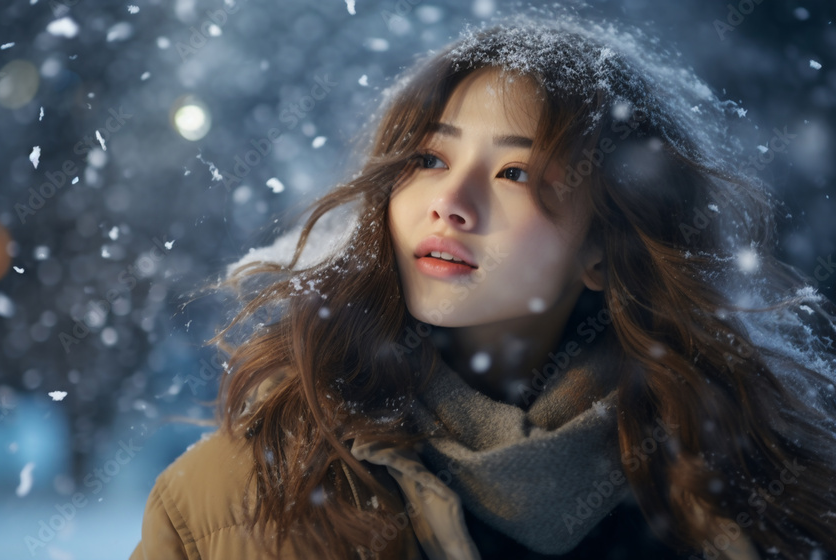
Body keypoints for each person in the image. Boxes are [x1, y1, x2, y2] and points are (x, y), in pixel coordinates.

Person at [129, 10, 836, 560]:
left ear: (602, 248)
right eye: (430, 158)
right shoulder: (240, 498)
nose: (450, 202)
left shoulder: (762, 489)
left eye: (515, 173)